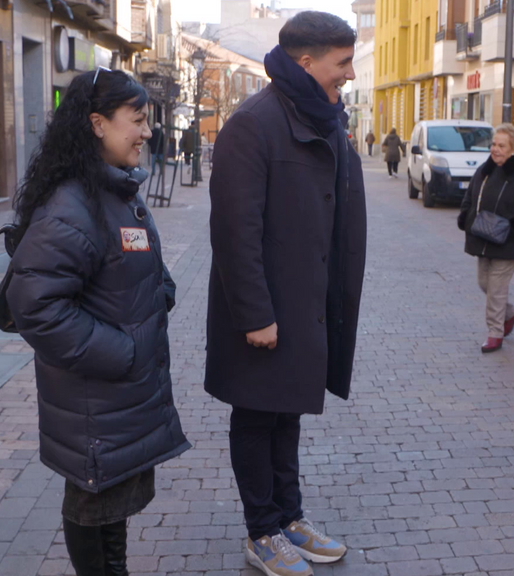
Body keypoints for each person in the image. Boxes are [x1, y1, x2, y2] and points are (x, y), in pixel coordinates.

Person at [6, 69, 190, 575]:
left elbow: (133, 264)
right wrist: (123, 350)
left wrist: (161, 291)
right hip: (98, 394)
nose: (147, 132)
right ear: (96, 124)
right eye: (137, 119)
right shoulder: (73, 204)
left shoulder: (114, 191)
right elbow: (36, 306)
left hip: (115, 396)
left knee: (112, 504)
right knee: (92, 505)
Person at [207, 11, 367, 576]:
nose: (349, 74)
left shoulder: (324, 117)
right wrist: (255, 313)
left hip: (305, 305)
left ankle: (289, 517)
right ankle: (261, 531)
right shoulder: (254, 123)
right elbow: (233, 229)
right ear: (307, 62)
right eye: (342, 62)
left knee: (287, 413)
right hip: (263, 311)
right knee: (256, 416)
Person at [457, 123, 514, 353]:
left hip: (509, 242)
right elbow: (470, 197)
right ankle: (510, 312)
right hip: (482, 238)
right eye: (494, 144)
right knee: (484, 284)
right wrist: (466, 217)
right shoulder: (485, 171)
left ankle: (495, 333)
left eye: (501, 145)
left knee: (496, 288)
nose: (495, 149)